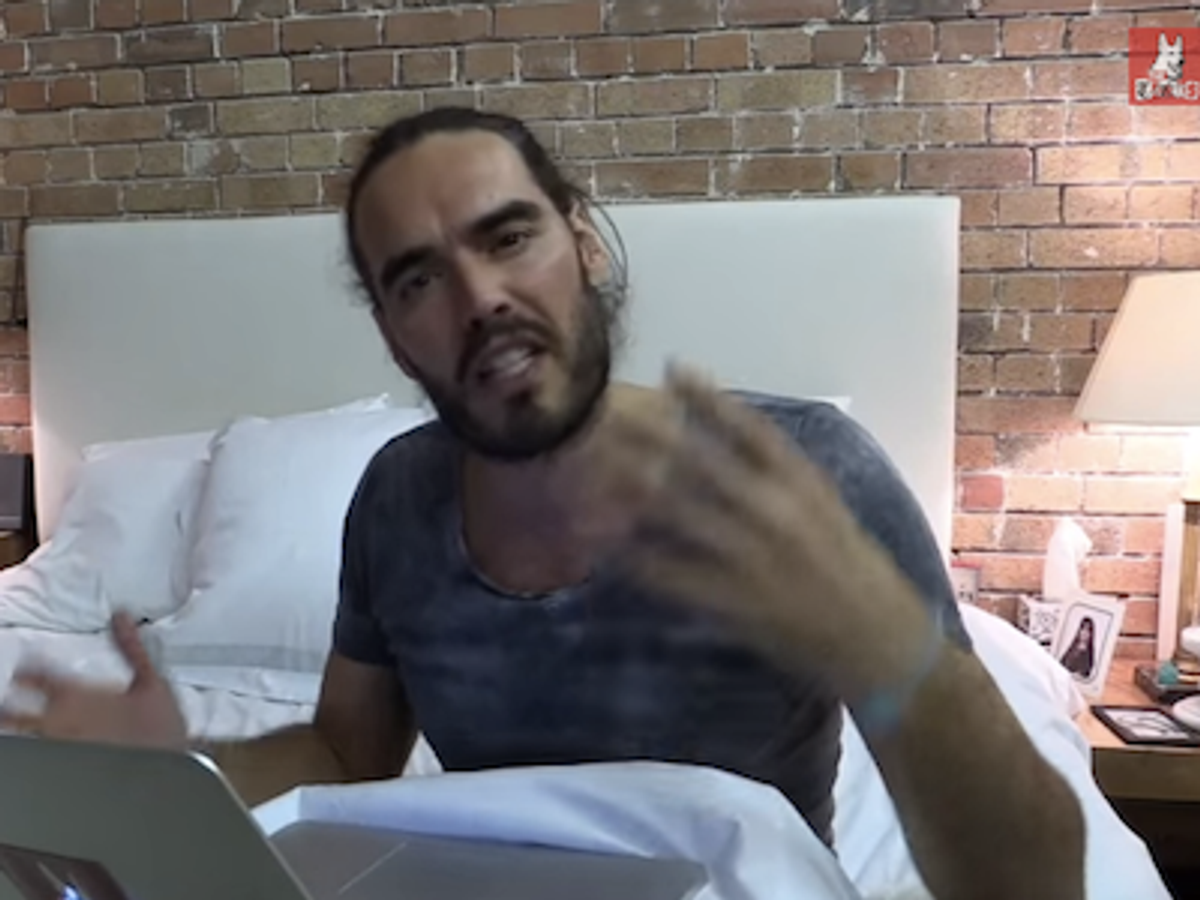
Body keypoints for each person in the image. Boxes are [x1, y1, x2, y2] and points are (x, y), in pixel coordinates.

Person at [1, 108, 1084, 899]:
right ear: (392, 336)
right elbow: (343, 759)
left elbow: (1031, 884)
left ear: (586, 243)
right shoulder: (398, 497)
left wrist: (883, 644)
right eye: (418, 279)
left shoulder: (805, 469)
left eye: (508, 237)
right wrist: (177, 769)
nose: (480, 300)